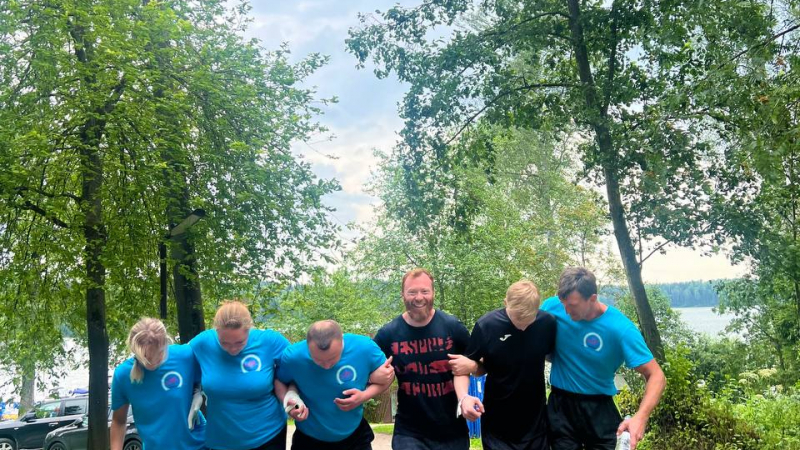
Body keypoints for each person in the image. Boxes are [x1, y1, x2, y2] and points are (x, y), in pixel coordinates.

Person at [540, 267, 666, 450]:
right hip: (561, 406)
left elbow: (657, 376)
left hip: (599, 409)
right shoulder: (552, 307)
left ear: (592, 298)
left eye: (572, 305)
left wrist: (641, 417)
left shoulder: (620, 328)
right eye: (563, 303)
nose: (566, 311)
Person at [372, 268, 471, 449]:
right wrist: (373, 377)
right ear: (403, 295)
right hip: (409, 432)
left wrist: (471, 364)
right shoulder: (388, 334)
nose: (419, 297)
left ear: (433, 293)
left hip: (452, 431)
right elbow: (366, 368)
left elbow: (481, 362)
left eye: (425, 291)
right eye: (412, 292)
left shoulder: (452, 327)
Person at [451, 280, 556, 450]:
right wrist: (464, 398)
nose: (522, 325)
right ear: (506, 303)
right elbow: (462, 368)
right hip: (497, 425)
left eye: (528, 319)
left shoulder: (547, 323)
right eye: (517, 318)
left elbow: (556, 357)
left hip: (535, 424)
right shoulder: (487, 325)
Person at [190, 301, 306, 450]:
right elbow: (177, 362)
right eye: (224, 343)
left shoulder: (269, 341)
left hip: (269, 436)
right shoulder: (203, 343)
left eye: (239, 342)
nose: (232, 349)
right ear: (216, 331)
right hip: (221, 440)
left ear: (249, 329)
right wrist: (195, 391)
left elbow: (300, 367)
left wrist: (293, 394)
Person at [276, 320, 392, 450]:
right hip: (309, 438)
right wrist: (290, 401)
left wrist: (364, 396)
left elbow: (388, 377)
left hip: (354, 436)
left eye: (333, 358)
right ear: (307, 346)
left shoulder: (364, 347)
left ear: (342, 341)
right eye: (318, 359)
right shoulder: (293, 357)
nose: (326, 366)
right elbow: (279, 381)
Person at [110, 317, 205, 450]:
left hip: (199, 445)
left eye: (158, 355)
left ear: (165, 344)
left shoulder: (185, 356)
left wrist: (199, 390)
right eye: (146, 358)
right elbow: (119, 421)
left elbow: (217, 369)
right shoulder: (123, 375)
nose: (152, 362)